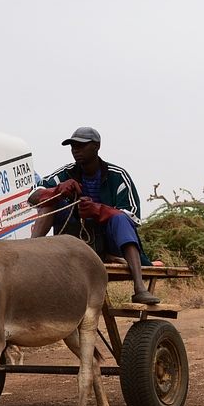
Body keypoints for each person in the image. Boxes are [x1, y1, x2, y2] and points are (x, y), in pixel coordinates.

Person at [28, 126, 160, 305]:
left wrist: (97, 210)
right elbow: (33, 196)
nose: (76, 150)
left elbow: (133, 216)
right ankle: (30, 255)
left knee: (121, 218)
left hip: (110, 245)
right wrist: (56, 190)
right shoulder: (64, 174)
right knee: (49, 201)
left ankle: (139, 288)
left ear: (96, 146)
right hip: (74, 241)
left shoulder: (118, 176)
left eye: (81, 145)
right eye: (73, 146)